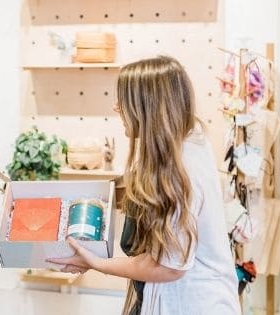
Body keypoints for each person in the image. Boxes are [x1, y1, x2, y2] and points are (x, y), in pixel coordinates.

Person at [48, 56, 241, 315]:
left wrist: (97, 263)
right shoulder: (185, 143)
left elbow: (169, 267)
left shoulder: (179, 168)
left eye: (124, 100)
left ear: (146, 107)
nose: (117, 107)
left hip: (191, 304)